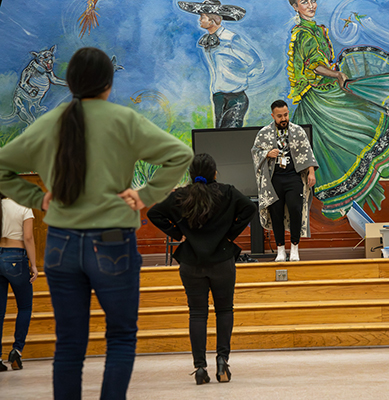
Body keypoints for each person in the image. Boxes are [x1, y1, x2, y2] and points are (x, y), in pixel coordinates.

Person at [0, 47, 193, 399]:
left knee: (69, 344)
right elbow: (180, 155)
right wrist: (144, 195)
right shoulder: (124, 120)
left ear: (70, 82)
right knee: (120, 336)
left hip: (60, 244)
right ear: (109, 82)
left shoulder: (49, 122)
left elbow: (2, 167)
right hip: (112, 243)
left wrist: (36, 198)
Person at [286, 0, 389, 219]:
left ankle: (364, 191)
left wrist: (337, 72)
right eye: (303, 2)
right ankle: (343, 198)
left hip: (326, 91)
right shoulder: (302, 34)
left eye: (312, 0)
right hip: (316, 100)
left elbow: (324, 62)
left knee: (357, 125)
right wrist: (335, 74)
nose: (310, 5)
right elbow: (312, 65)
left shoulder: (318, 30)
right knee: (334, 145)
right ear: (295, 6)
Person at [147, 153, 255, 384]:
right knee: (224, 310)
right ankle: (222, 361)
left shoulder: (180, 196)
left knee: (197, 313)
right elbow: (249, 209)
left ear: (190, 174)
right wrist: (229, 235)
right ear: (215, 173)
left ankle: (199, 368)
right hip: (222, 262)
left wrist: (179, 234)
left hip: (191, 263)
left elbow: (153, 213)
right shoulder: (227, 192)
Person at [178, 0, 264, 128]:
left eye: (203, 17)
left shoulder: (231, 38)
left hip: (236, 97)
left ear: (212, 20)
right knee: (219, 134)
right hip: (218, 96)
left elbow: (256, 63)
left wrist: (240, 78)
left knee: (231, 135)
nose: (200, 20)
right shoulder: (208, 40)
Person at [251, 100, 318, 262]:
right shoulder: (264, 133)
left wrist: (311, 173)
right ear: (273, 116)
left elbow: (307, 152)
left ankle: (294, 246)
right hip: (274, 179)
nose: (283, 118)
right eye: (279, 116)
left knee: (296, 209)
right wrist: (267, 153)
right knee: (276, 213)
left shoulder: (298, 131)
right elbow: (255, 152)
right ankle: (280, 249)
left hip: (293, 176)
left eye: (286, 115)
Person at [0, 193, 38, 371]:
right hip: (16, 258)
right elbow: (28, 238)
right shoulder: (24, 206)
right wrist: (34, 264)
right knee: (24, 307)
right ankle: (16, 350)